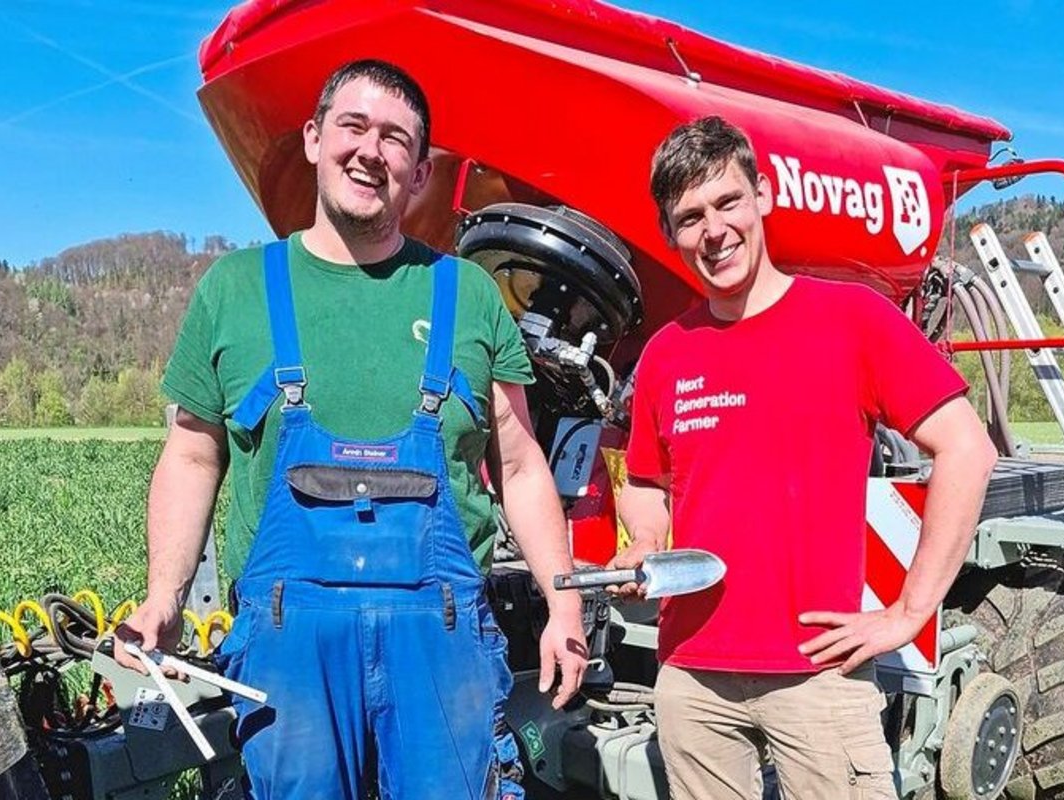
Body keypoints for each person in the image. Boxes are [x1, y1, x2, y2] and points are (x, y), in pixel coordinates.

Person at [112, 59, 586, 800]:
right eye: (353, 126)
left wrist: (563, 603)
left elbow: (520, 465)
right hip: (288, 648)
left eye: (396, 139)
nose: (372, 151)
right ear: (312, 139)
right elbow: (193, 454)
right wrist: (164, 596)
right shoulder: (234, 290)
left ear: (420, 171)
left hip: (443, 638)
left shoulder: (468, 295)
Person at [609, 116, 998, 799]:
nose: (714, 230)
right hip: (693, 679)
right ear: (672, 235)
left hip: (820, 675)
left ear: (762, 195)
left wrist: (910, 611)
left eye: (728, 202)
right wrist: (644, 541)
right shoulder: (667, 353)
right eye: (690, 217)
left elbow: (967, 449)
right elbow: (645, 477)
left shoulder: (852, 319)